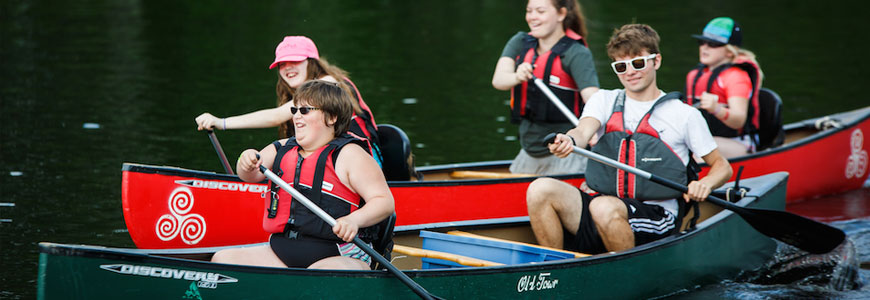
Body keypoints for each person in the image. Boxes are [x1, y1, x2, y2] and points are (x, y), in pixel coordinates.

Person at [525, 24, 733, 254]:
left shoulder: (685, 115)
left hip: (655, 217)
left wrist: (705, 183)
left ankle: (624, 274)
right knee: (539, 189)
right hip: (600, 206)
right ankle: (554, 270)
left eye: (638, 63)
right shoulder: (604, 100)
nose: (630, 72)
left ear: (657, 61)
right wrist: (569, 141)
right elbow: (583, 132)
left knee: (604, 207)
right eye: (621, 66)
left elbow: (722, 167)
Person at [210, 80, 394, 270]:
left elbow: (384, 202)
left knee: (318, 276)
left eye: (305, 110)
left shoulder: (351, 155)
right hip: (283, 250)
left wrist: (353, 221)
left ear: (331, 117)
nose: (296, 116)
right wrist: (246, 161)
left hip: (338, 253)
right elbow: (248, 175)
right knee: (222, 259)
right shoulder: (281, 148)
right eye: (294, 110)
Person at [195, 36, 382, 164]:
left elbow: (276, 116)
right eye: (282, 64)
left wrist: (221, 123)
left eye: (294, 60)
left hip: (362, 159)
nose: (287, 68)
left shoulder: (329, 84)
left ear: (311, 61)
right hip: (328, 159)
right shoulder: (300, 95)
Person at [491, 0, 600, 175]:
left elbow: (593, 97)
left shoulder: (576, 53)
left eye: (540, 11)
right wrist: (517, 76)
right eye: (529, 11)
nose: (532, 17)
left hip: (567, 153)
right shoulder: (520, 42)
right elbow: (498, 80)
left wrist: (595, 127)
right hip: (530, 150)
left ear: (561, 14)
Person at [685, 17, 763, 158]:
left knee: (700, 148)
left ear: (729, 51)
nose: (705, 47)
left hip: (739, 143)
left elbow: (739, 120)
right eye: (702, 42)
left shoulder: (736, 77)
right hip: (707, 139)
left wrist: (717, 109)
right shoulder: (694, 75)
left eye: (713, 44)